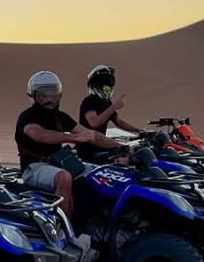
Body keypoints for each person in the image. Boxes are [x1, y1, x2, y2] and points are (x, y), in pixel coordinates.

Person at [14, 71, 122, 217]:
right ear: (33, 96)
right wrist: (74, 138)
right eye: (43, 96)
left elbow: (93, 135)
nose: (49, 100)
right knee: (63, 177)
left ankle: (97, 220)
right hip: (34, 168)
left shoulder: (60, 117)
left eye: (53, 95)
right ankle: (64, 229)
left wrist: (121, 147)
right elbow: (40, 135)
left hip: (59, 162)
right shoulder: (27, 117)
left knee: (100, 173)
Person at [75, 65, 143, 162]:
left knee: (135, 153)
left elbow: (118, 121)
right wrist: (113, 107)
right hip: (88, 150)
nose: (107, 86)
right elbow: (93, 123)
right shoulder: (89, 101)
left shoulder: (106, 103)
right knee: (125, 158)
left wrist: (140, 131)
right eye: (104, 82)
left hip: (101, 146)